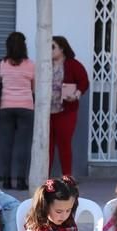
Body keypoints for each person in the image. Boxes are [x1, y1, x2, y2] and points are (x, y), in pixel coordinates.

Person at [0, 31, 35, 191]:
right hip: (26, 106)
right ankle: (20, 180)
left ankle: (6, 179)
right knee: (23, 145)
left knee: (6, 144)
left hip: (6, 106)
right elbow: (33, 87)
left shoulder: (2, 64)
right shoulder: (30, 64)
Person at [50, 36, 89, 176]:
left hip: (65, 111)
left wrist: (77, 94)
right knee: (47, 147)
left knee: (64, 144)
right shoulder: (45, 65)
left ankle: (67, 178)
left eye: (52, 47)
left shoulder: (73, 64)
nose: (49, 50)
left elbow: (84, 82)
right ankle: (45, 179)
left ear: (62, 48)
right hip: (47, 112)